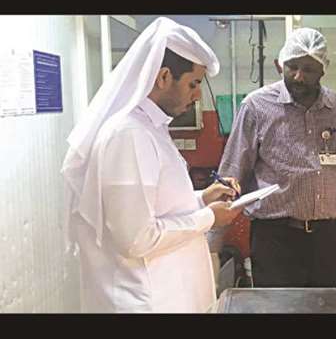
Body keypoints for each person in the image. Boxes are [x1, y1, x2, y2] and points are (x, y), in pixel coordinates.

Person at [60, 17, 242, 313]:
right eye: (193, 83)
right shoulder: (129, 135)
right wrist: (208, 218)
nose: (198, 96)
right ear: (164, 77)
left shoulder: (151, 128)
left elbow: (155, 206)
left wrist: (202, 198)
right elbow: (136, 238)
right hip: (147, 301)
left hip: (167, 295)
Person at [218, 28, 336, 288]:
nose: (299, 76)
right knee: (277, 307)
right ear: (278, 65)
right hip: (275, 237)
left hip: (325, 236)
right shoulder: (257, 106)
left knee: (325, 306)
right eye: (292, 67)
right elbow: (233, 170)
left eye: (309, 69)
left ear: (323, 70)